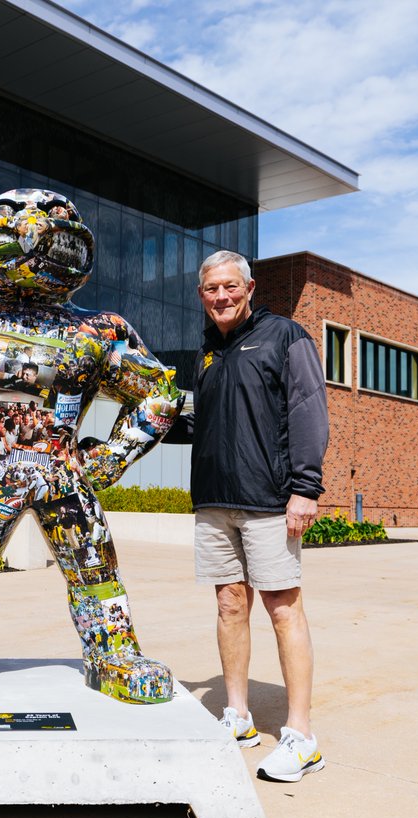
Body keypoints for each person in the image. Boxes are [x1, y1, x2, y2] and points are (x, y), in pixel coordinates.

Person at [164, 250, 329, 783]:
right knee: (230, 605)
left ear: (250, 287)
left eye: (230, 286)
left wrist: (305, 488)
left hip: (268, 499)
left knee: (283, 609)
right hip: (214, 500)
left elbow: (308, 409)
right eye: (212, 288)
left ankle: (301, 736)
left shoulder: (285, 336)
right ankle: (236, 715)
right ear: (201, 294)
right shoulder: (207, 351)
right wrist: (142, 426)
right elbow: (200, 422)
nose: (222, 296)